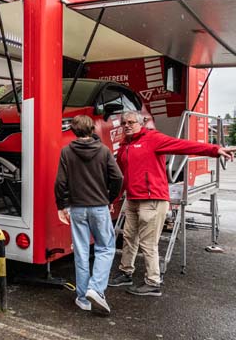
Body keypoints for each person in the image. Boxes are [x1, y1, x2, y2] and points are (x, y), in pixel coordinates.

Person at [108, 110, 236, 296]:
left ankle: (152, 282)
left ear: (141, 123)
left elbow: (183, 146)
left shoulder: (153, 138)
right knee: (128, 238)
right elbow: (122, 175)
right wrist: (116, 197)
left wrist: (215, 150)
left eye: (130, 122)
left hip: (152, 200)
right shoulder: (125, 146)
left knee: (148, 243)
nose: (126, 125)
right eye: (123, 123)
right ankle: (126, 272)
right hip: (133, 199)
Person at [55, 115, 123, 315]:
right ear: (92, 129)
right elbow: (118, 177)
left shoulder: (67, 151)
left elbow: (60, 182)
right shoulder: (103, 151)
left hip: (77, 208)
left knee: (82, 252)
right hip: (99, 207)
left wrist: (61, 206)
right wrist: (109, 198)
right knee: (106, 248)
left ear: (74, 131)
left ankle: (83, 297)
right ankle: (96, 288)